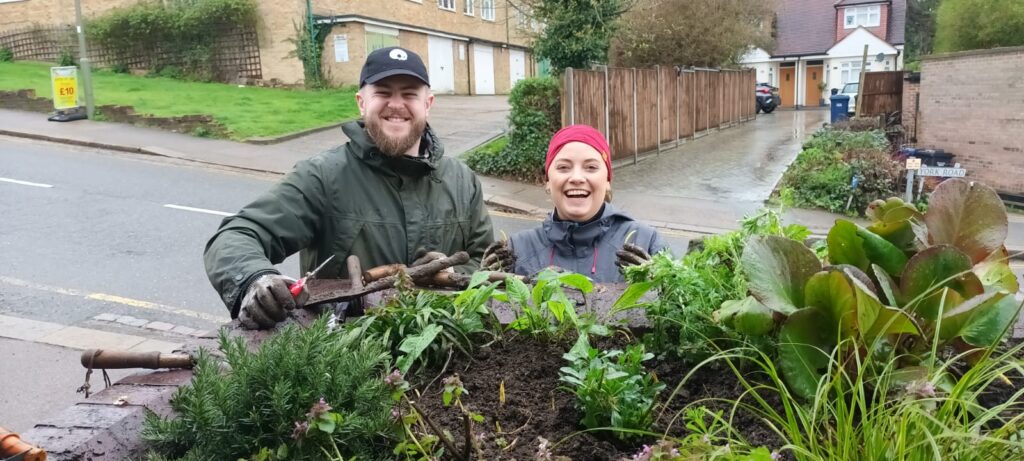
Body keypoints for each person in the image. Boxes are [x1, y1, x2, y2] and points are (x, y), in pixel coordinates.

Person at [204, 47, 493, 329]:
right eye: (382, 92)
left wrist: (452, 274)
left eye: (409, 94)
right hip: (345, 360)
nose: (396, 104)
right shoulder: (323, 176)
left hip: (445, 356)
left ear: (427, 104)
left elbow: (487, 261)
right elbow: (236, 235)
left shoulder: (462, 181)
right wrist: (256, 278)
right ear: (361, 102)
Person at [481, 125, 665, 282]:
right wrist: (483, 286)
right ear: (547, 181)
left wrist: (658, 285)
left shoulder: (645, 241)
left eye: (591, 167)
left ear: (607, 180)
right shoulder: (517, 249)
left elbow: (681, 313)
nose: (577, 178)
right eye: (563, 167)